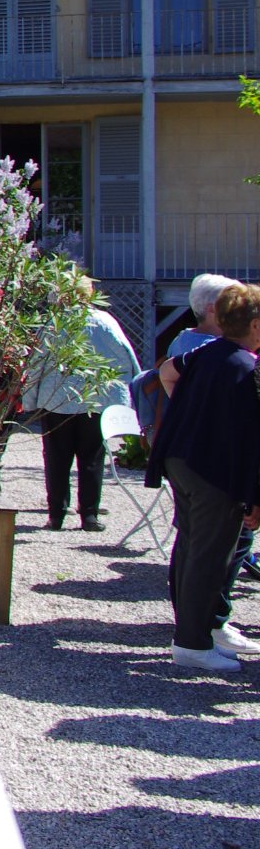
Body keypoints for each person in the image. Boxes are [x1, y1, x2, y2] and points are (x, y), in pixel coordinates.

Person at [146, 282, 260, 673]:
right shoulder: (248, 368)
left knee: (193, 546)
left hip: (181, 458)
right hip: (214, 470)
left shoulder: (208, 352)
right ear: (255, 326)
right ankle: (193, 642)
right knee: (210, 557)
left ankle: (194, 635)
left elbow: (166, 371)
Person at [26, 279, 141, 532]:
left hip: (56, 400)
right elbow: (125, 358)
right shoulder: (105, 321)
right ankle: (89, 515)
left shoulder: (53, 323)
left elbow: (37, 361)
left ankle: (56, 514)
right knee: (91, 458)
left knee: (56, 458)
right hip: (94, 398)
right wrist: (125, 396)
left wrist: (30, 398)